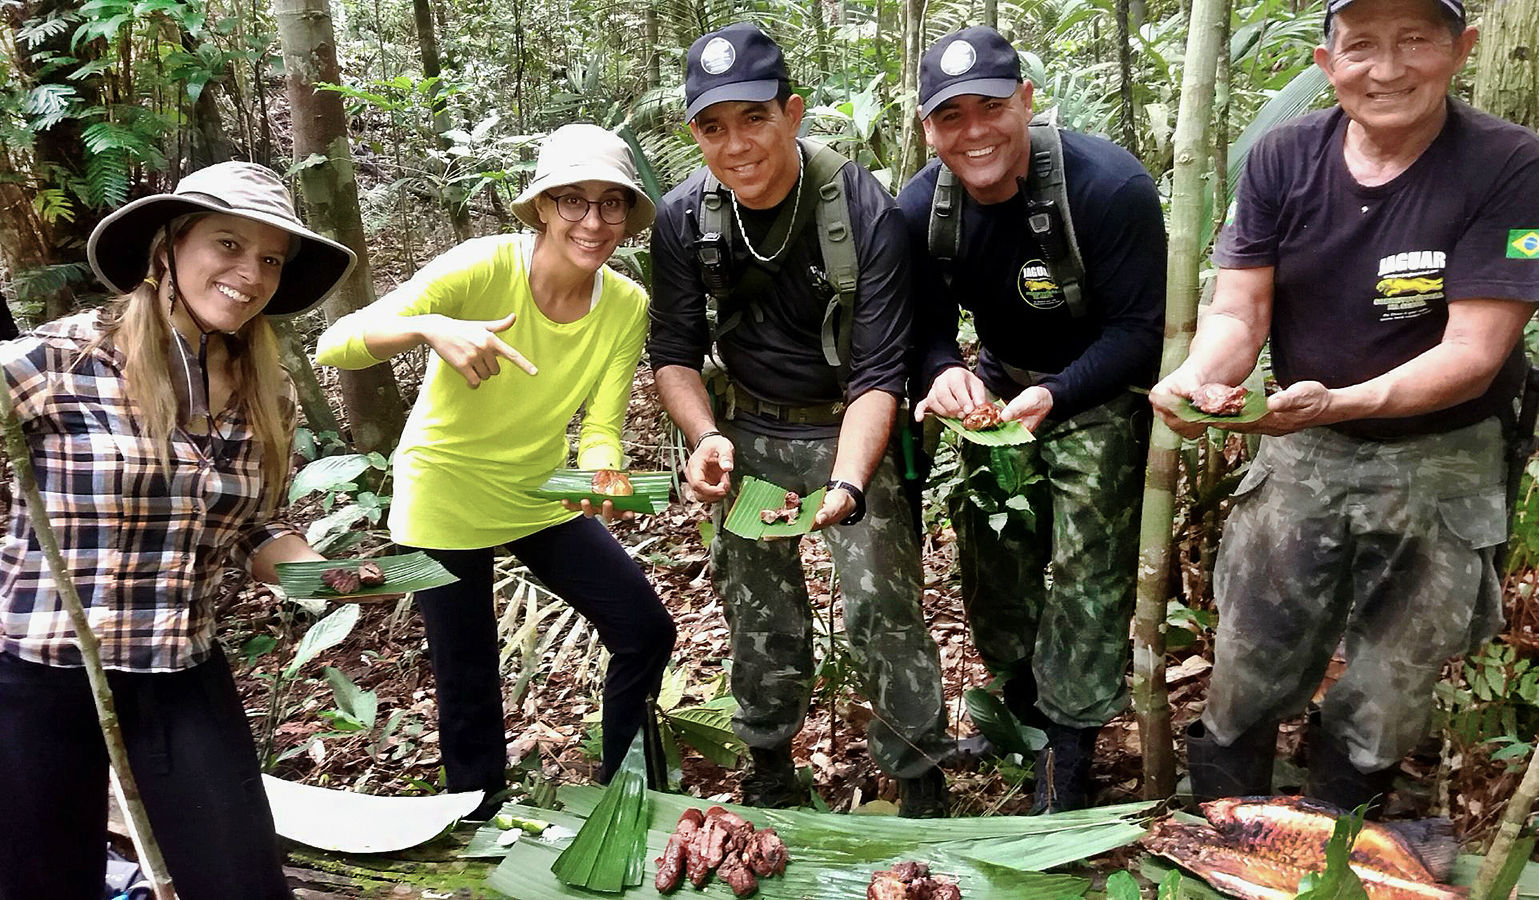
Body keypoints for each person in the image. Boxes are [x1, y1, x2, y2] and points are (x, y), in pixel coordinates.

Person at [1150, 0, 1539, 814]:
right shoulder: (1281, 156)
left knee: (1393, 677)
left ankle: (1336, 838)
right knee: (1250, 651)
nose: (1387, 69)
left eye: (1414, 42)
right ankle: (1223, 831)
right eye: (1360, 46)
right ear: (1327, 65)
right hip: (1301, 447)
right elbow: (1238, 312)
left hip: (1443, 451)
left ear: (1461, 49)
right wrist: (1197, 379)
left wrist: (1341, 401)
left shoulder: (1509, 162)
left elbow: (1474, 354)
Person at [0, 161, 359, 899]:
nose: (250, 273)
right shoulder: (60, 361)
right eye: (227, 245)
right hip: (42, 670)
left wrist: (319, 573)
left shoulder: (269, 390)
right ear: (168, 247)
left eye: (268, 259)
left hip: (177, 668)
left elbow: (259, 526)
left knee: (242, 881)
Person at [315, 124, 675, 815]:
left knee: (645, 629)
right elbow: (336, 345)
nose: (592, 221)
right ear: (540, 205)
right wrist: (429, 329)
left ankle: (623, 795)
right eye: (571, 200)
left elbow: (600, 425)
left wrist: (602, 473)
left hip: (537, 491)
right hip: (442, 493)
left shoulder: (625, 305)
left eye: (611, 203)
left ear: (629, 214)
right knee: (469, 674)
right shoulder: (481, 268)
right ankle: (476, 827)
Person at [648, 22, 953, 817]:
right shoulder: (683, 217)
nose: (736, 144)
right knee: (755, 607)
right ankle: (769, 768)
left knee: (881, 603)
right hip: (747, 425)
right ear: (695, 134)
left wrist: (850, 482)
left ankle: (919, 773)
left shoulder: (860, 207)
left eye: (753, 118)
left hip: (849, 422)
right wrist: (705, 435)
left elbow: (882, 370)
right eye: (713, 127)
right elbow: (673, 353)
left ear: (792, 112)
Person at [897, 26, 1167, 813]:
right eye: (951, 117)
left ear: (1025, 101)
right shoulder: (922, 208)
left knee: (1088, 574)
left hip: (1096, 392)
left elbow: (1140, 330)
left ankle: (1070, 746)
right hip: (998, 392)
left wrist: (1057, 395)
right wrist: (943, 370)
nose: (973, 132)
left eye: (990, 107)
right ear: (927, 128)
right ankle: (1019, 708)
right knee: (992, 554)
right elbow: (921, 325)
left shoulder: (1105, 186)